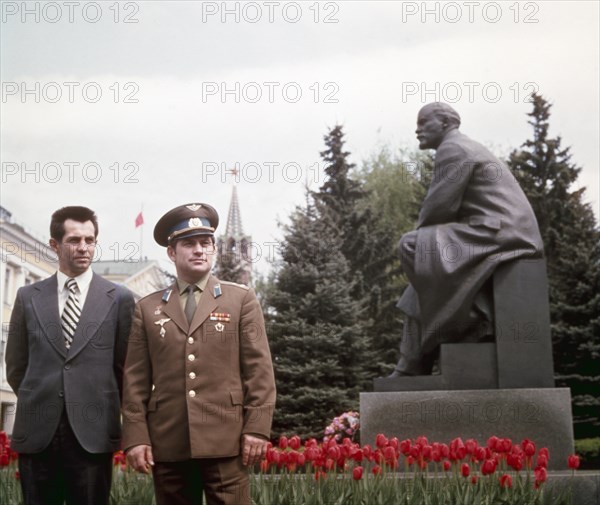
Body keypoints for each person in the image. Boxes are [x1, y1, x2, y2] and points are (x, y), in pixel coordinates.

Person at [122, 202, 276, 505]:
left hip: (227, 442)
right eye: (189, 243)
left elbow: (259, 370)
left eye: (206, 243)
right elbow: (135, 381)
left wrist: (257, 428)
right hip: (169, 442)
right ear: (171, 252)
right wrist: (136, 437)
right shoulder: (148, 308)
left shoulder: (240, 299)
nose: (199, 250)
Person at [390, 103, 544, 376]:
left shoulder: (454, 148)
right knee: (419, 280)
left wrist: (424, 239)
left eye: (425, 122)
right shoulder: (460, 146)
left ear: (447, 123)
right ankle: (413, 363)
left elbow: (439, 207)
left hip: (501, 232)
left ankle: (468, 322)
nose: (418, 129)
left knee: (412, 245)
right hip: (493, 230)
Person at [6, 206, 135, 505]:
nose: (84, 247)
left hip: (92, 437)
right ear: (55, 244)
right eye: (74, 240)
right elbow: (16, 366)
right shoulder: (28, 297)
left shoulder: (119, 298)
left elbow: (125, 369)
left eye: (90, 240)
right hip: (39, 433)